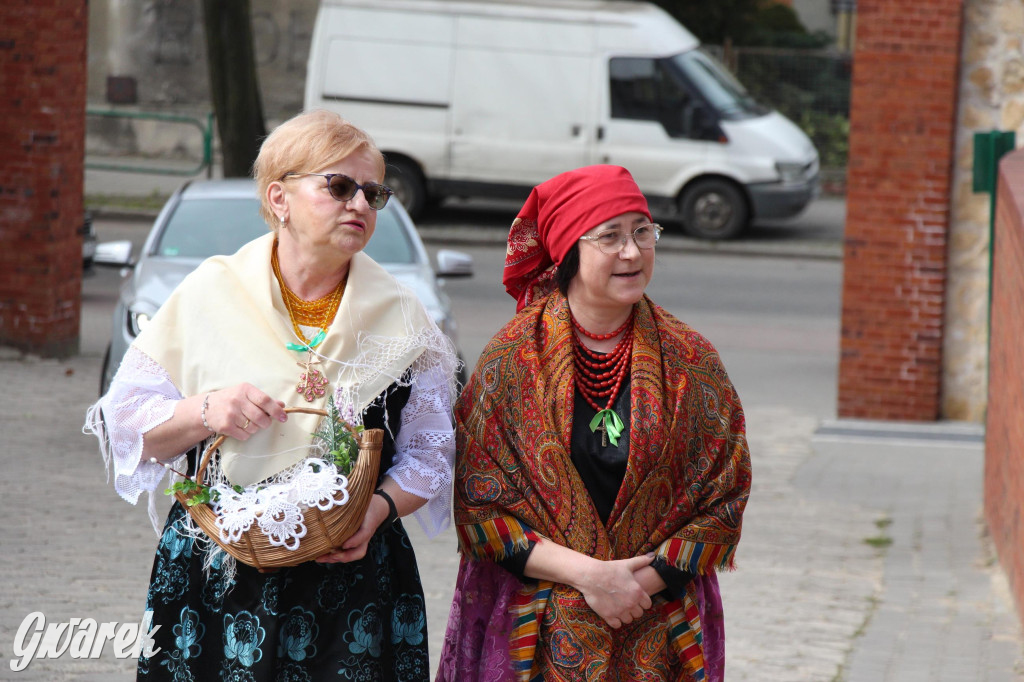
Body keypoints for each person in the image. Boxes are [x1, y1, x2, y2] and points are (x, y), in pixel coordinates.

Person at [84, 109, 458, 681]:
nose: (359, 204)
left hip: (353, 578)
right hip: (216, 576)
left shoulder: (407, 320)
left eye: (373, 193)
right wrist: (205, 409)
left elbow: (430, 457)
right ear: (279, 198)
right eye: (338, 186)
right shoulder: (208, 293)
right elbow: (128, 428)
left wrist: (376, 512)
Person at [436, 165, 751, 681]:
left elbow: (724, 495)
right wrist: (590, 577)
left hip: (661, 626)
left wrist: (635, 585)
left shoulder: (692, 360)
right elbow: (478, 505)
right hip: (532, 633)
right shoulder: (510, 361)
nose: (632, 251)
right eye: (610, 236)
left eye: (643, 232)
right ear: (568, 251)